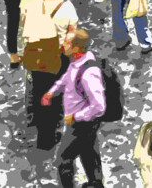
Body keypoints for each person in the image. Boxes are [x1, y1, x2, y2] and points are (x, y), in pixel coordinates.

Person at [20, 0, 78, 150]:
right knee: (53, 95)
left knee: (37, 89)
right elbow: (72, 35)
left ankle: (35, 119)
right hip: (56, 58)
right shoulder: (67, 8)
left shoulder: (31, 3)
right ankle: (47, 137)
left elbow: (23, 23)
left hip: (35, 54)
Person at [42, 28, 106, 188]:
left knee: (63, 160)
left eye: (67, 43)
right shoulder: (77, 62)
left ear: (76, 48)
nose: (63, 45)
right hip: (82, 123)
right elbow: (67, 78)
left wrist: (75, 117)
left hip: (81, 124)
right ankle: (95, 183)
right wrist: (52, 92)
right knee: (89, 151)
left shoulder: (89, 73)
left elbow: (99, 106)